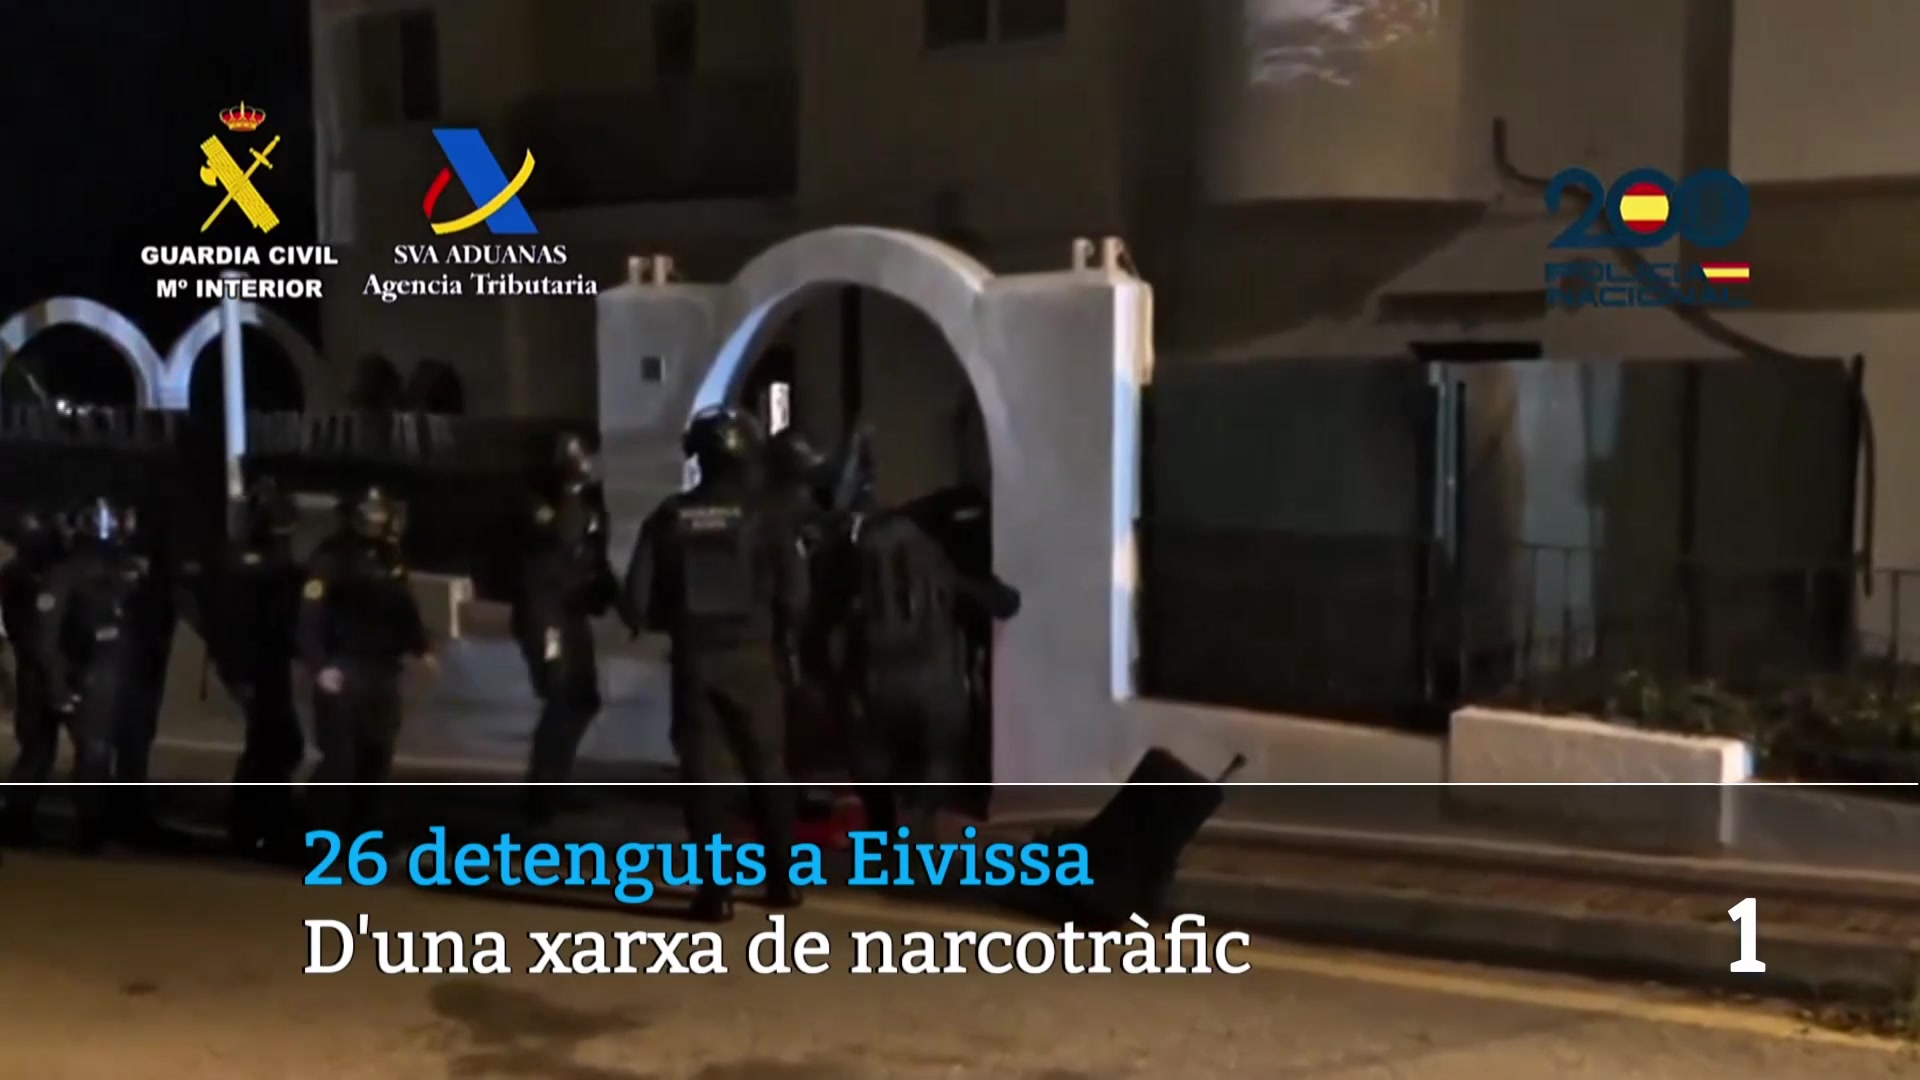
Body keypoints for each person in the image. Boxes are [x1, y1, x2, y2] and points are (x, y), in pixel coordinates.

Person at [625, 405, 807, 922]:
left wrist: (671, 621)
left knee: (705, 777)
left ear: (698, 456)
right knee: (768, 771)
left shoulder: (668, 517)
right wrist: (785, 639)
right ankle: (782, 884)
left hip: (695, 663)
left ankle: (715, 895)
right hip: (755, 661)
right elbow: (797, 595)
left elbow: (635, 602)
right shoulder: (770, 517)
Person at [843, 449, 1021, 840]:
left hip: (873, 681)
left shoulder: (858, 561)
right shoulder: (941, 559)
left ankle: (885, 834)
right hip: (932, 679)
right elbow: (1005, 604)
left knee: (876, 763)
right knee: (936, 759)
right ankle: (916, 831)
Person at [298, 485, 434, 837]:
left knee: (377, 757)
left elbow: (403, 606)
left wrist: (422, 647)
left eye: (380, 513)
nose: (377, 520)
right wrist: (319, 666)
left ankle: (364, 838)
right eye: (370, 513)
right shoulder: (331, 556)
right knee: (340, 761)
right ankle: (319, 836)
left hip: (383, 669)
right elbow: (310, 615)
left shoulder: (390, 556)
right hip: (344, 667)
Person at [23, 497, 148, 851]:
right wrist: (57, 682)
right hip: (78, 671)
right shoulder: (69, 573)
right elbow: (47, 633)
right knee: (69, 752)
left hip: (92, 670)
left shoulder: (112, 571)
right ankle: (72, 827)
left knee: (87, 752)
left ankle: (90, 829)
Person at [514, 431, 625, 824]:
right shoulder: (536, 500)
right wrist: (571, 489)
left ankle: (556, 780)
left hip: (571, 612)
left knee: (583, 697)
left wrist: (620, 601)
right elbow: (563, 534)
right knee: (560, 696)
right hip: (544, 614)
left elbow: (594, 554)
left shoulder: (590, 501)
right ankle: (541, 792)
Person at [220, 478, 307, 858]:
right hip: (256, 665)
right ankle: (256, 827)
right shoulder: (252, 563)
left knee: (274, 744)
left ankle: (259, 826)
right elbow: (237, 622)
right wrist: (238, 672)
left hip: (269, 663)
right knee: (273, 745)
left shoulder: (270, 558)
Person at [0, 507, 69, 845]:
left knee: (37, 748)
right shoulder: (27, 576)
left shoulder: (19, 573)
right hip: (36, 668)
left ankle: (19, 818)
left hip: (34, 665)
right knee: (38, 749)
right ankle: (17, 820)